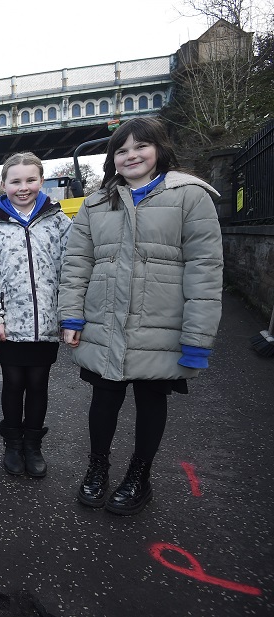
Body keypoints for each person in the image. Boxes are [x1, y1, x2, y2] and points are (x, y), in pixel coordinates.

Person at [58, 117, 223, 516]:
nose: (131, 155)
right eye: (122, 149)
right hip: (106, 322)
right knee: (104, 397)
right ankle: (97, 468)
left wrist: (197, 339)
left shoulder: (190, 196)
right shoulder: (97, 203)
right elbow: (76, 263)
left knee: (151, 400)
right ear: (113, 159)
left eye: (140, 146)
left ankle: (139, 476)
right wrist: (71, 317)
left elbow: (205, 268)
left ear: (159, 149)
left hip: (160, 324)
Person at [0, 153, 72, 478]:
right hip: (8, 324)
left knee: (38, 382)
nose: (23, 187)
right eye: (15, 181)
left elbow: (73, 270)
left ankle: (33, 445)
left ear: (41, 181)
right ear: (4, 184)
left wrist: (69, 317)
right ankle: (12, 444)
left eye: (30, 180)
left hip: (46, 324)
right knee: (13, 382)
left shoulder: (59, 222)